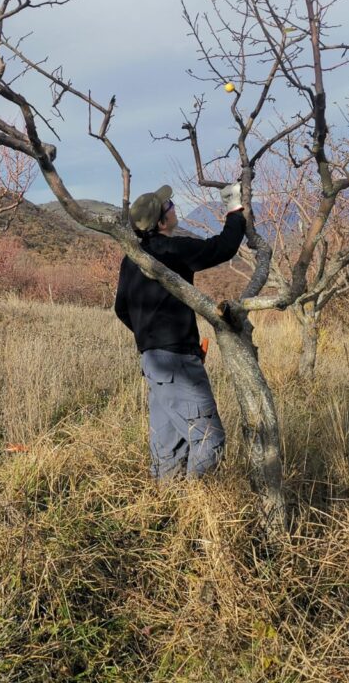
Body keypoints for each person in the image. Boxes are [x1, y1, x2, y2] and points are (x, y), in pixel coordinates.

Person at [114, 183, 245, 480]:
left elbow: (122, 309)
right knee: (210, 439)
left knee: (169, 447)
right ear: (161, 222)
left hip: (153, 363)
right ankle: (196, 509)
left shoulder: (132, 258)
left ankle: (168, 508)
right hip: (176, 362)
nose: (173, 207)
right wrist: (234, 208)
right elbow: (222, 247)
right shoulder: (172, 249)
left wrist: (152, 338)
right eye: (169, 206)